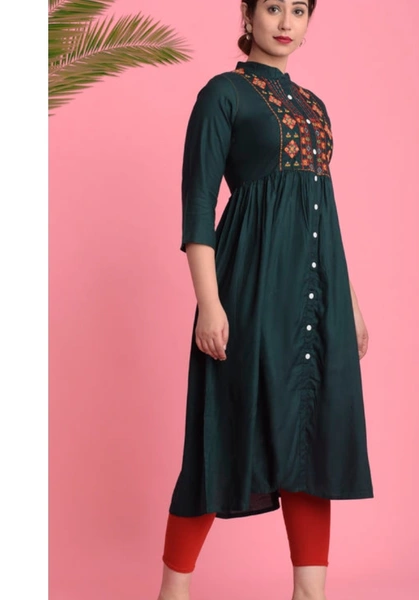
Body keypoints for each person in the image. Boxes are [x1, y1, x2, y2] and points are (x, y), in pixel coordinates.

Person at [158, 1, 374, 599]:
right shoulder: (222, 94)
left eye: (298, 10)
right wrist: (209, 303)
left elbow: (323, 214)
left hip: (319, 298)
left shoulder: (316, 107)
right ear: (248, 15)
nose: (285, 22)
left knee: (312, 438)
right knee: (221, 433)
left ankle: (311, 593)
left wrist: (350, 302)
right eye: (273, 7)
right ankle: (172, 593)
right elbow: (198, 202)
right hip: (250, 288)